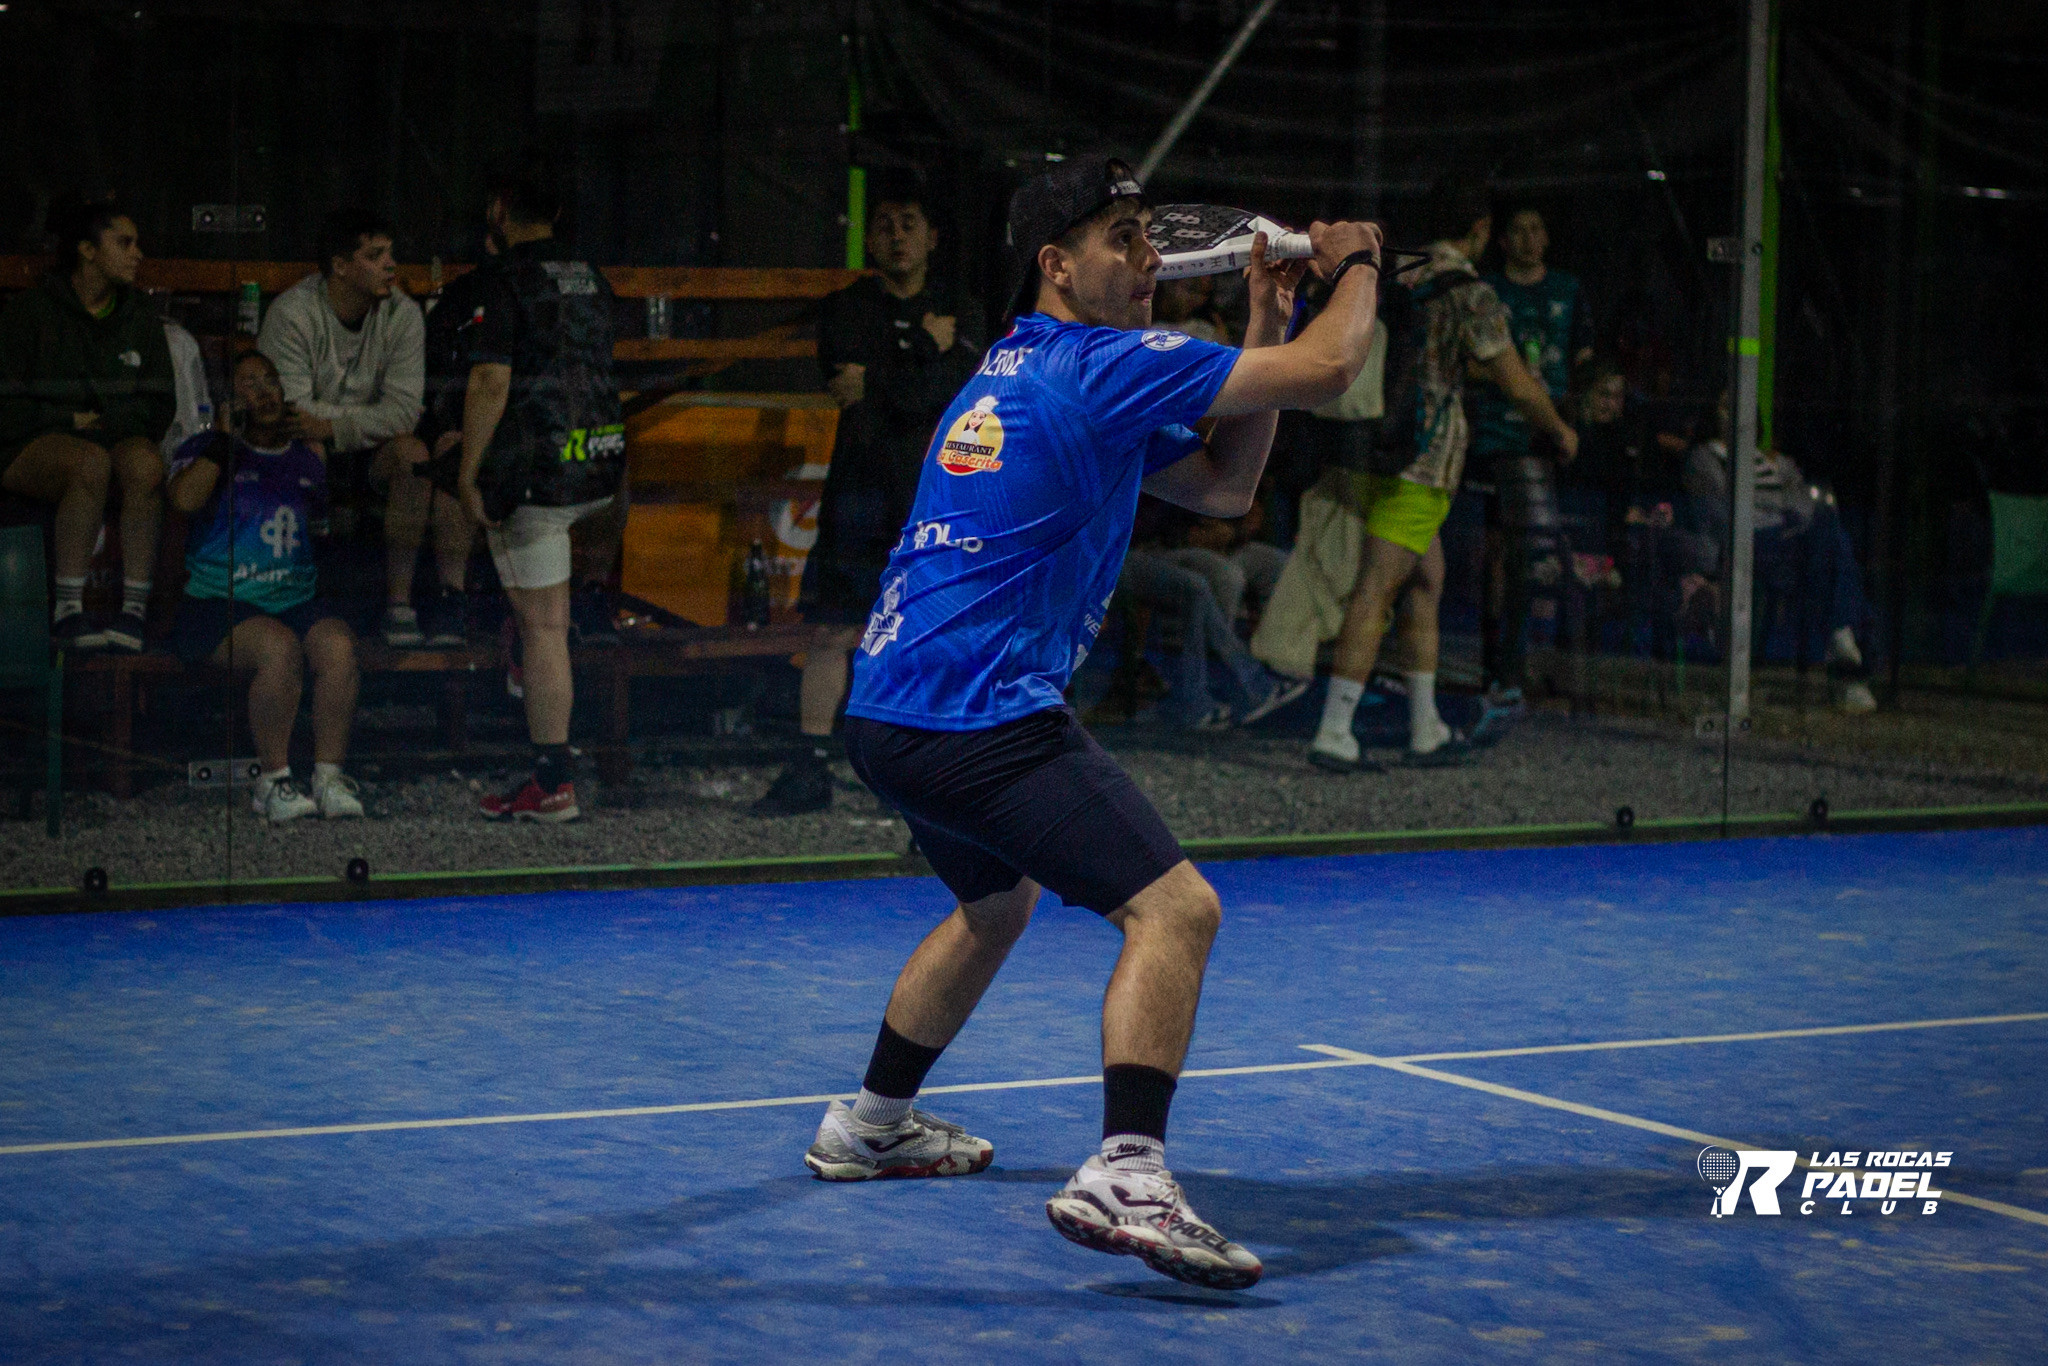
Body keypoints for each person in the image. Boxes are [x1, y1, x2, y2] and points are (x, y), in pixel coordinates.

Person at [802, 152, 1384, 1291]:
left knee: (994, 905)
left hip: (890, 707)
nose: (1150, 258)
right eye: (1123, 239)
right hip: (978, 711)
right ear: (1056, 266)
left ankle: (869, 1123)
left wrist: (1265, 317)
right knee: (1177, 909)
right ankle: (1128, 1171)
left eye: (1149, 235)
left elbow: (1220, 488)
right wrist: (1358, 263)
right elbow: (1331, 369)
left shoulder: (1025, 364)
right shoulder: (1099, 363)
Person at [1279, 179, 1575, 772]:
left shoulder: (1403, 274)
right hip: (1423, 462)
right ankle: (1334, 732)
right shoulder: (1470, 292)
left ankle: (1425, 726)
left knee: (1425, 581)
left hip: (1372, 446)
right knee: (1376, 589)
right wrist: (1561, 431)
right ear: (1481, 230)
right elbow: (1517, 383)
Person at [752, 180, 985, 816]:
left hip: (933, 494)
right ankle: (810, 766)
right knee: (832, 627)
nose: (897, 235)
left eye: (909, 222)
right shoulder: (847, 308)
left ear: (932, 237)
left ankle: (920, 775)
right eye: (884, 224)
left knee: (930, 629)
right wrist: (926, 353)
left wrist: (887, 377)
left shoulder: (962, 309)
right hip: (858, 490)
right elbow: (858, 385)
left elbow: (954, 393)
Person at [456, 173, 624, 822]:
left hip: (539, 476)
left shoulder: (503, 279)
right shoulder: (592, 276)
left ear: (498, 209)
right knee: (550, 623)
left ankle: (552, 782)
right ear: (555, 208)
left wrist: (469, 471)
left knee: (545, 629)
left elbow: (490, 382)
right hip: (601, 468)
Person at [166, 352, 363, 822]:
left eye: (270, 381)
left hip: (293, 597)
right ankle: (273, 782)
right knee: (279, 648)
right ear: (230, 400)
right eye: (249, 384)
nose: (264, 392)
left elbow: (327, 528)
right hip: (218, 602)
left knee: (338, 648)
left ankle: (328, 777)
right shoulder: (207, 449)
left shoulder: (305, 458)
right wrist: (224, 441)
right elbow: (184, 501)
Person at [0, 195, 174, 652]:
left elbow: (159, 404)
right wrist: (67, 419)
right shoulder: (30, 313)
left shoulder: (140, 318)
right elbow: (8, 405)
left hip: (110, 440)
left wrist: (99, 420)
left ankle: (134, 612)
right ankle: (67, 612)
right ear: (87, 249)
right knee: (89, 462)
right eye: (124, 243)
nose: (138, 254)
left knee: (145, 465)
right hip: (26, 444)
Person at [257, 208, 430, 647]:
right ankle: (299, 590)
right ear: (339, 266)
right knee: (308, 450)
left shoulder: (403, 314)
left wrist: (334, 426)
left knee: (414, 456)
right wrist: (340, 426)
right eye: (375, 255)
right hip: (307, 445)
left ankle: (399, 605)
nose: (391, 265)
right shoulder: (293, 312)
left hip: (368, 448)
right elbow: (291, 413)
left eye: (390, 253)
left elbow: (404, 412)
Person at [1679, 391, 1877, 713]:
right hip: (1746, 541)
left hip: (1788, 542)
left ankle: (1843, 641)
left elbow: (1802, 504)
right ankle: (1846, 655)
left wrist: (1781, 506)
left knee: (1829, 536)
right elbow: (1724, 509)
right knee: (1832, 548)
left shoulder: (1773, 460)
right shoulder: (1705, 457)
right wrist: (1778, 507)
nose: (1734, 412)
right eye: (1726, 406)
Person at [1469, 204, 1594, 700]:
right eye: (1517, 230)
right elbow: (1469, 360)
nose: (1527, 238)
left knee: (1548, 555)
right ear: (1502, 240)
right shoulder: (1486, 290)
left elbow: (1585, 360)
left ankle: (1547, 664)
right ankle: (1500, 664)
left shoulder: (1568, 290)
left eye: (1536, 229)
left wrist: (1572, 420)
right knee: (1503, 553)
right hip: (1497, 437)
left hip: (1552, 437)